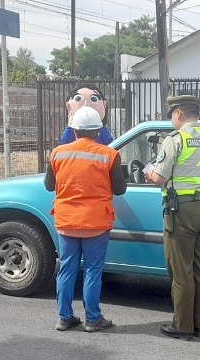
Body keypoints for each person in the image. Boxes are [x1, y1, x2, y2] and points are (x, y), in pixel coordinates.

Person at [144, 95, 200, 340]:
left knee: (180, 270)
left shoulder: (176, 139)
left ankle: (182, 325)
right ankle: (199, 324)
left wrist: (149, 173)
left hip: (183, 212)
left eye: (171, 116)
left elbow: (160, 178)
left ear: (178, 113)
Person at [45, 105, 127, 332]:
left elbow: (49, 185)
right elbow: (120, 189)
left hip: (66, 221)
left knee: (67, 269)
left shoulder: (57, 153)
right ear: (98, 131)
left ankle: (64, 317)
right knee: (92, 270)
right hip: (96, 223)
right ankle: (92, 319)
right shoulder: (109, 155)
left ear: (73, 130)